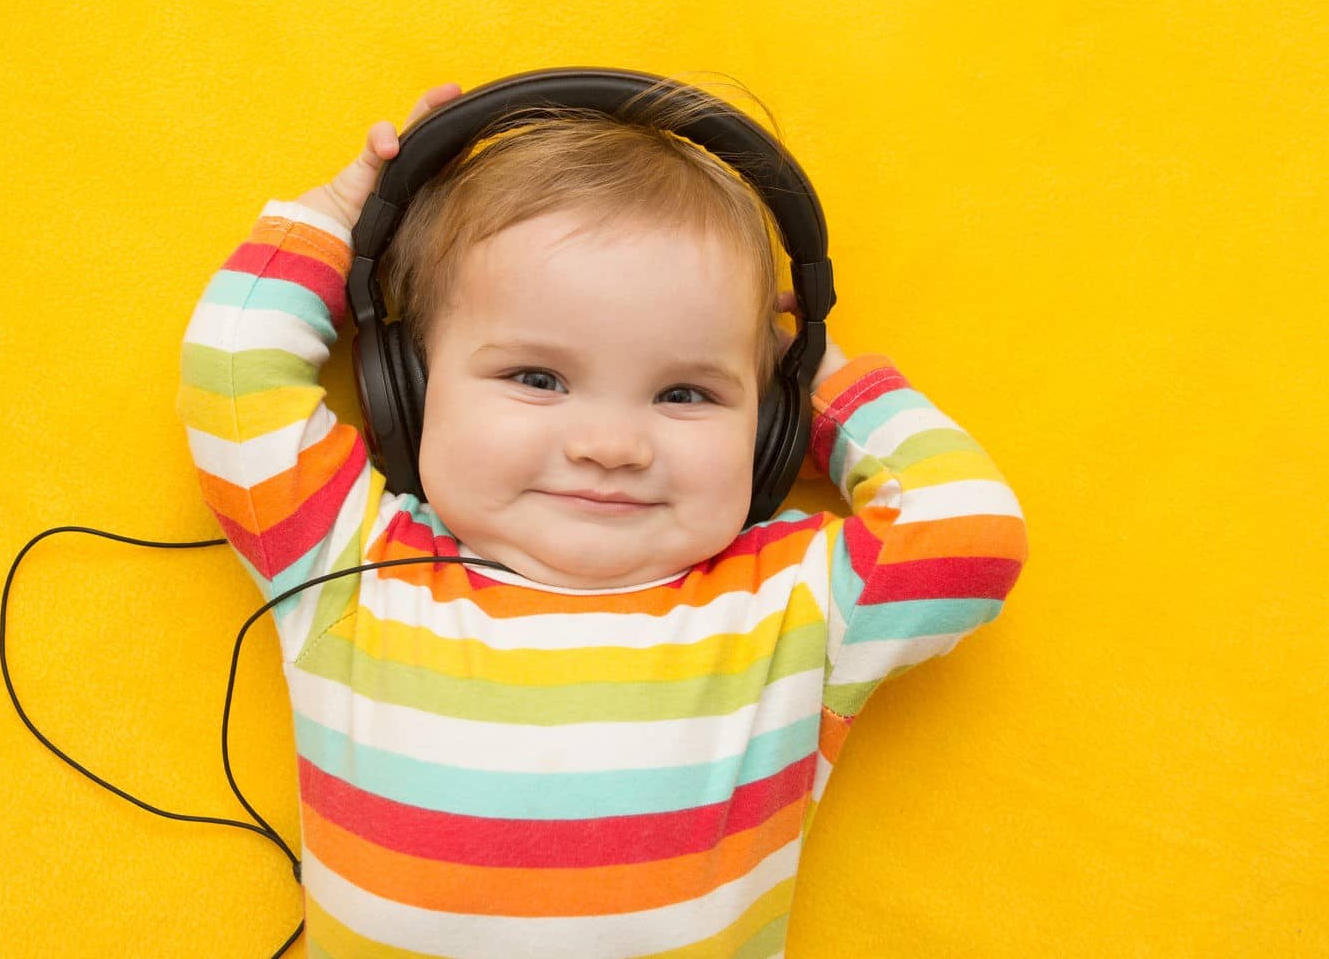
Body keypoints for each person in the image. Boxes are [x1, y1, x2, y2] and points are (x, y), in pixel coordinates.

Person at [177, 78, 1028, 957]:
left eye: (686, 392)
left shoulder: (791, 606)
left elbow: (967, 532)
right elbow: (234, 375)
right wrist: (340, 209)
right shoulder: (349, 561)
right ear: (407, 392)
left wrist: (820, 380)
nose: (612, 444)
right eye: (537, 378)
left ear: (767, 430)